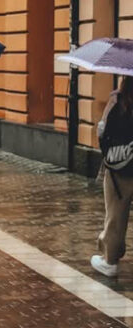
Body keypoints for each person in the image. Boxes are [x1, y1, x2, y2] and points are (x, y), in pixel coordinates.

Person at [91, 77, 133, 277]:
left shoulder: (117, 100)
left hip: (120, 168)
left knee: (116, 215)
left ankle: (110, 261)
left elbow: (103, 131)